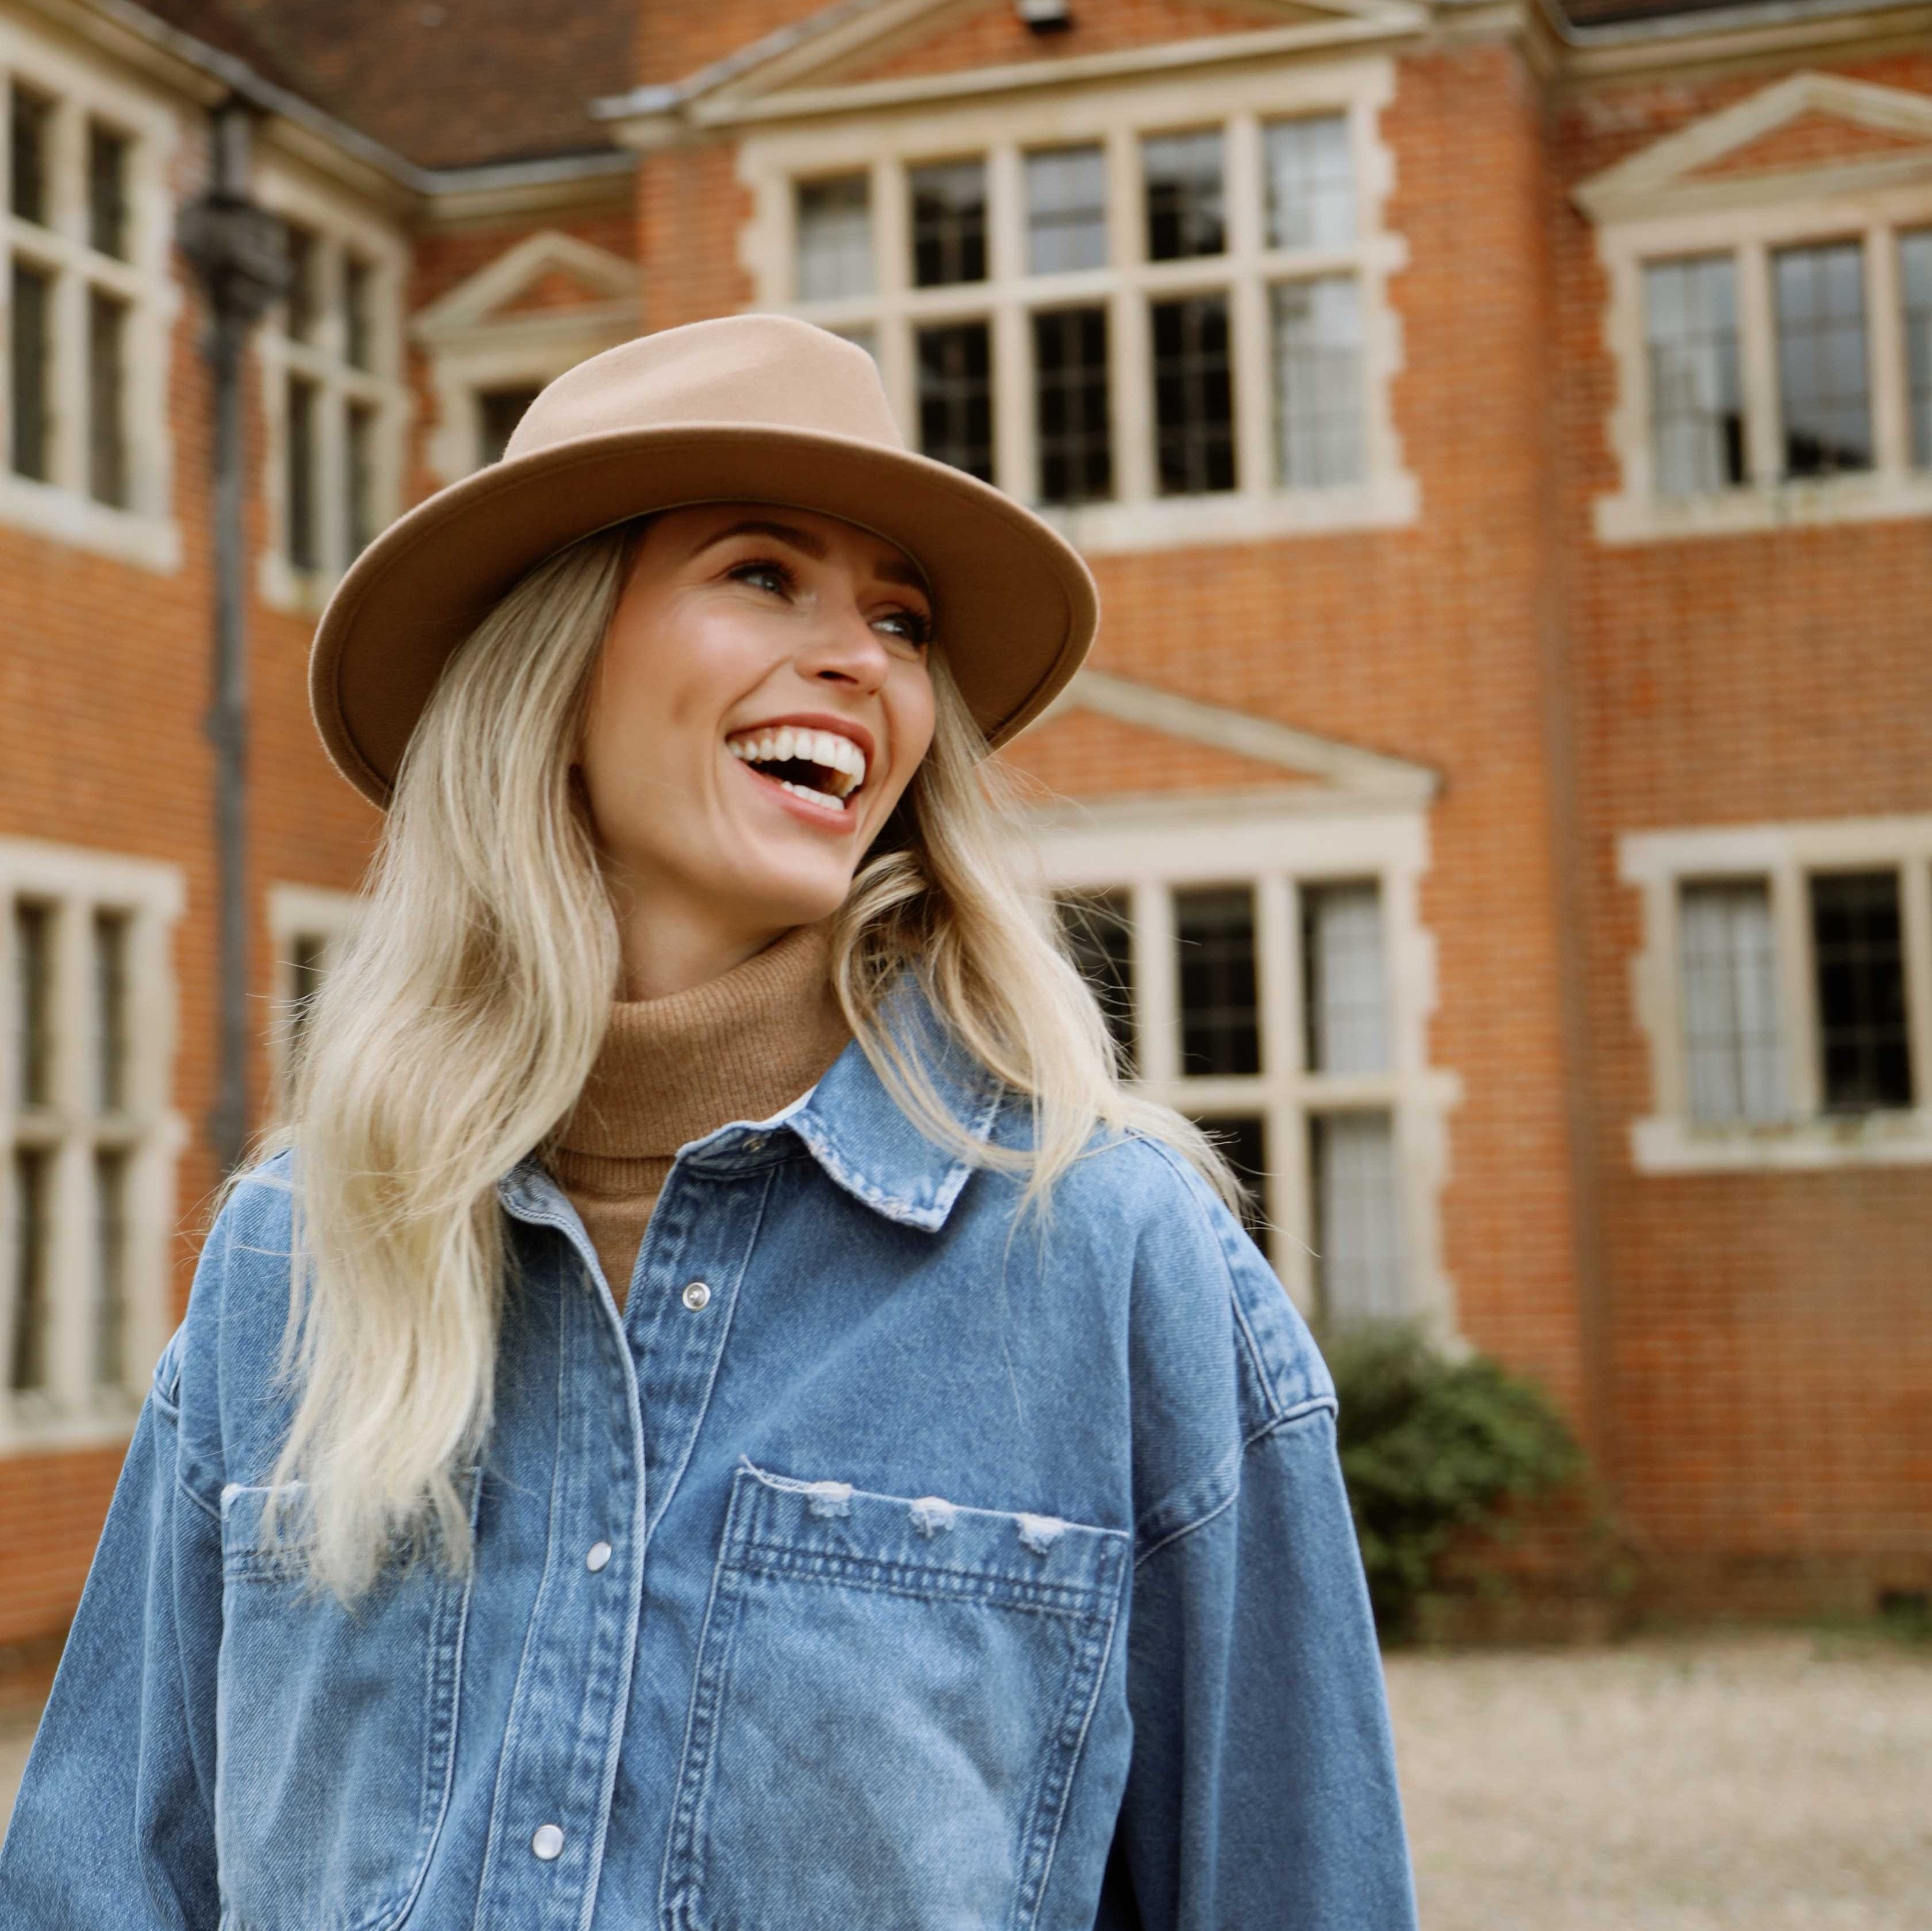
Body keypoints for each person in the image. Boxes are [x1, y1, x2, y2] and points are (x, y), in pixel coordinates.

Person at [0, 314, 1417, 1929]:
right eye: (764, 574)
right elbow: (97, 1891)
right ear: (556, 659)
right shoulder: (293, 1260)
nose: (865, 658)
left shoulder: (1105, 1255)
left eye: (902, 616)